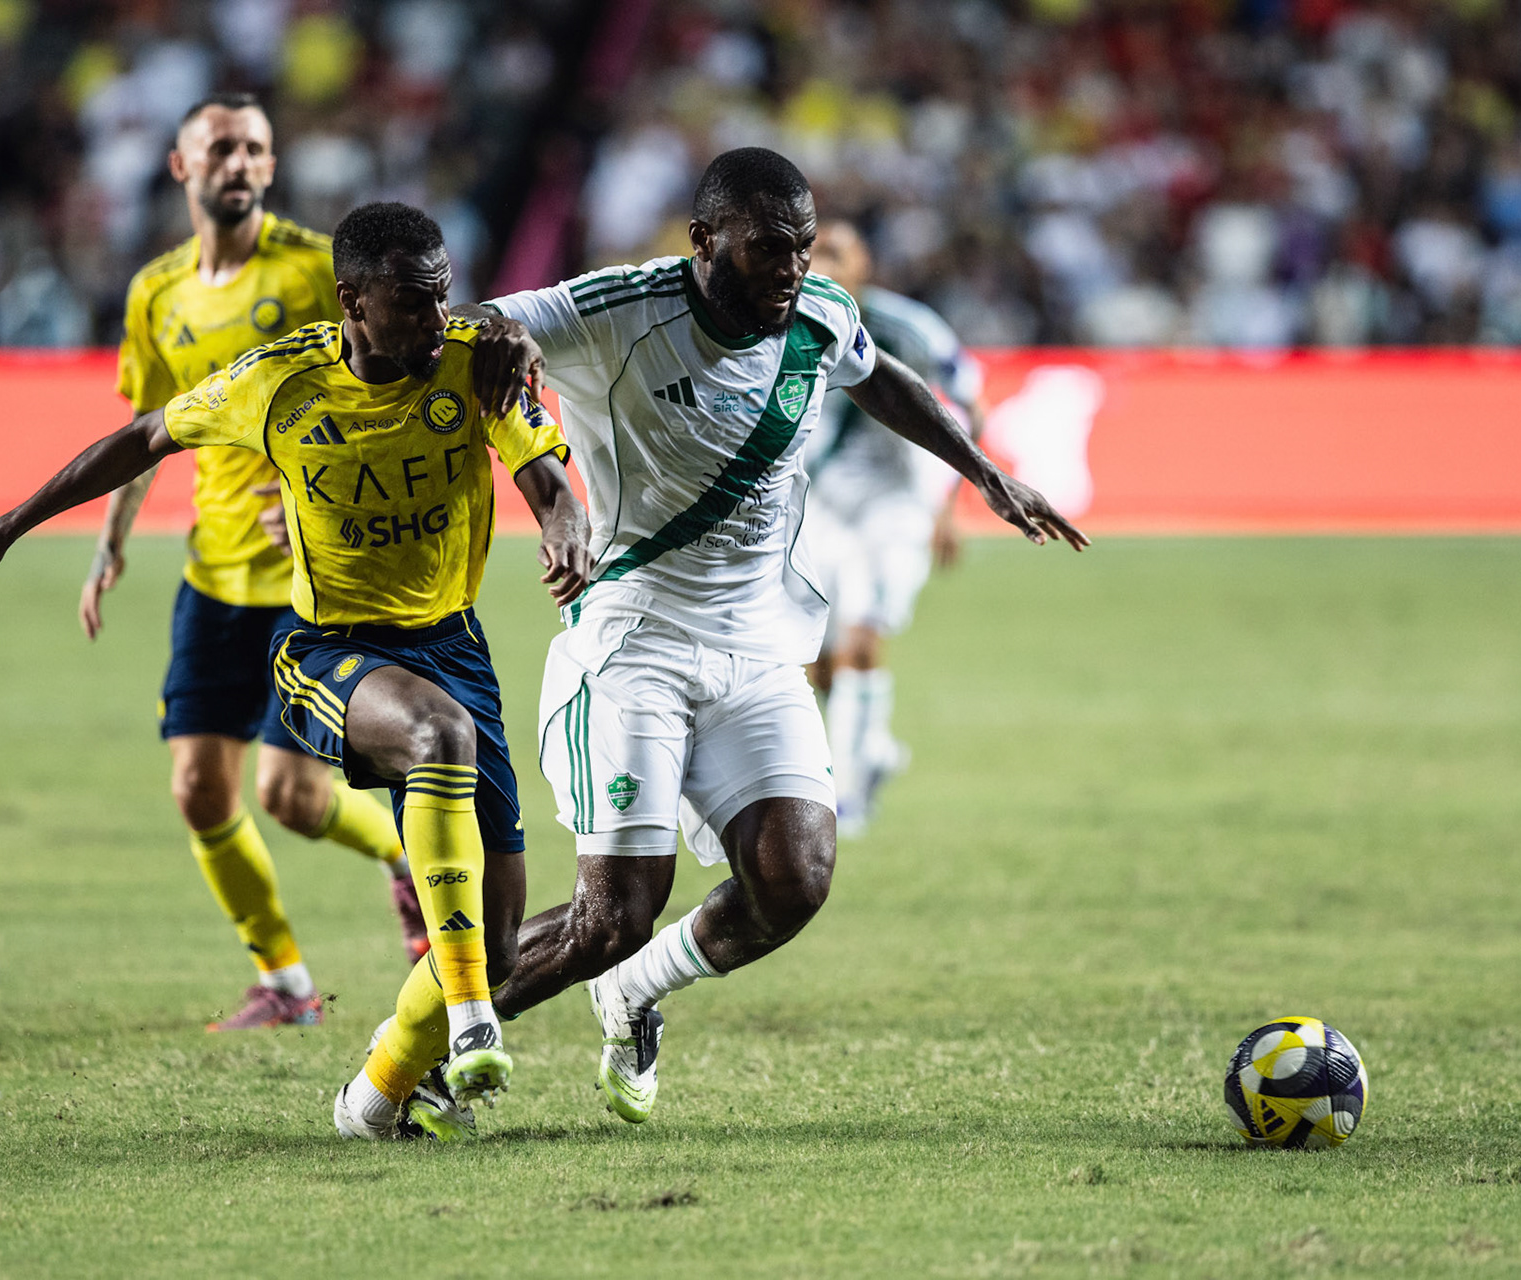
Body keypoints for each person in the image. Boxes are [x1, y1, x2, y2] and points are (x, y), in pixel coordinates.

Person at [0, 202, 589, 1140]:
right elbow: (142, 438)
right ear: (351, 301)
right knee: (435, 744)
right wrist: (6, 527)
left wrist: (563, 521)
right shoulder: (278, 381)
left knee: (503, 931)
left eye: (443, 295)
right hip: (333, 650)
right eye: (411, 301)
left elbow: (547, 480)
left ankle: (375, 1096)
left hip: (455, 646)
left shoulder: (473, 363)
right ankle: (472, 1017)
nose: (432, 316)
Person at [465, 147, 1087, 1125]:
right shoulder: (621, 306)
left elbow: (882, 380)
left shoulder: (824, 314)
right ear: (705, 241)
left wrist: (984, 472)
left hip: (758, 647)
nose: (792, 267)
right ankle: (418, 1049)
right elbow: (483, 322)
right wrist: (497, 338)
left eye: (802, 246)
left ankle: (635, 989)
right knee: (611, 912)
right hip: (637, 638)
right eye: (768, 249)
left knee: (795, 879)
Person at [84, 92, 428, 1032]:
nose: (239, 162)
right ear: (180, 166)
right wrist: (110, 542)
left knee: (291, 794)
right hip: (212, 573)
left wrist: (328, 485)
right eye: (221, 147)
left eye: (255, 148)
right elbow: (146, 431)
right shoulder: (157, 291)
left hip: (309, 582)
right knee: (200, 791)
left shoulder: (321, 271)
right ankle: (285, 983)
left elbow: (391, 383)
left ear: (271, 167)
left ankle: (405, 862)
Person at [802, 219, 987, 836]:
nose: (822, 261)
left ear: (863, 267)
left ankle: (846, 794)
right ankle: (872, 749)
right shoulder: (779, 324)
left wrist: (947, 505)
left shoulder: (908, 327)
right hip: (819, 506)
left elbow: (969, 402)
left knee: (860, 643)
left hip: (893, 506)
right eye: (814, 251)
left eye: (836, 251)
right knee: (813, 664)